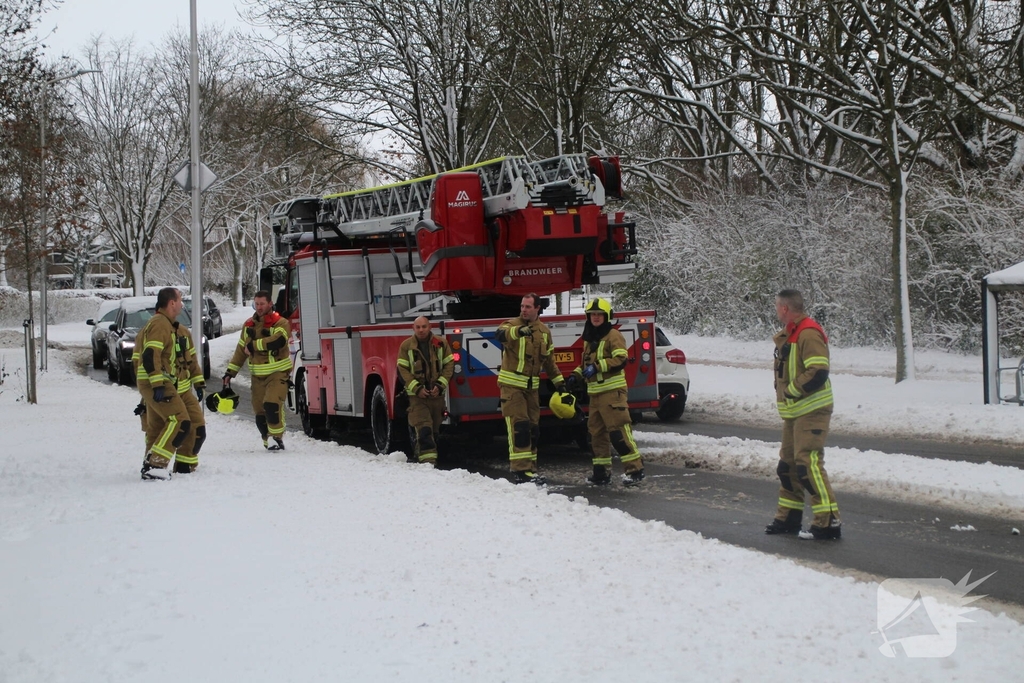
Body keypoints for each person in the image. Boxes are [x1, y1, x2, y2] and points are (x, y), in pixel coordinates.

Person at [764, 289, 842, 539]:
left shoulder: (808, 333)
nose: (776, 310)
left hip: (812, 411)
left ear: (785, 308)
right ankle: (789, 518)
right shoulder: (792, 334)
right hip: (795, 413)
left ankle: (828, 520)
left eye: (777, 306)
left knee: (808, 465)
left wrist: (791, 390)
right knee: (787, 467)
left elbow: (819, 371)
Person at [566, 297, 645, 486]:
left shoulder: (613, 335)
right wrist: (575, 375)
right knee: (596, 435)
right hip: (595, 395)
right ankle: (601, 473)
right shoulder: (590, 338)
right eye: (592, 314)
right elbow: (585, 363)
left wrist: (598, 366)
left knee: (619, 432)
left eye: (599, 314)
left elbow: (621, 359)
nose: (595, 317)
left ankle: (635, 470)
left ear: (606, 316)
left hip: (612, 393)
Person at [496, 293, 565, 484]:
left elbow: (549, 362)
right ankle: (520, 470)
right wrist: (518, 332)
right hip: (512, 388)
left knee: (533, 430)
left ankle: (531, 469)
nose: (524, 310)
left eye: (528, 307)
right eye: (522, 306)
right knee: (520, 427)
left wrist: (560, 384)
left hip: (531, 390)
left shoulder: (543, 332)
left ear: (537, 309)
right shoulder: (510, 325)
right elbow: (499, 334)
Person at [133, 287, 192, 480]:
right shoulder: (160, 323)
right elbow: (151, 355)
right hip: (156, 382)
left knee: (158, 426)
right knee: (180, 420)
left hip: (155, 381)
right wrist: (158, 384)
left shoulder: (165, 323)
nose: (182, 304)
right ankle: (155, 464)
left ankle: (150, 463)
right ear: (172, 303)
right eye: (180, 299)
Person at [223, 290, 293, 450]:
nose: (259, 307)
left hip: (277, 374)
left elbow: (279, 340)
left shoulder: (280, 323)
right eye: (257, 304)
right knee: (260, 413)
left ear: (270, 304)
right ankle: (267, 439)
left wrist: (253, 345)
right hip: (257, 377)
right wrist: (230, 373)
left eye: (262, 304)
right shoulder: (248, 325)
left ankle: (277, 438)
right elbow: (240, 351)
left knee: (272, 405)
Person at [396, 316, 454, 466]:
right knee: (424, 429)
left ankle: (420, 456)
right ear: (413, 328)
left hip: (437, 396)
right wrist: (417, 389)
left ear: (429, 327)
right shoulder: (406, 346)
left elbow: (449, 366)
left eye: (424, 327)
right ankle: (428, 464)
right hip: (417, 398)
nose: (421, 330)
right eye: (418, 327)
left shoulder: (441, 344)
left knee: (434, 431)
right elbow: (403, 371)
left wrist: (440, 386)